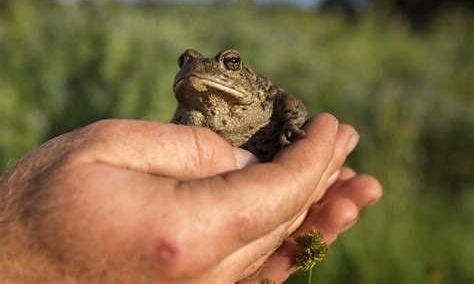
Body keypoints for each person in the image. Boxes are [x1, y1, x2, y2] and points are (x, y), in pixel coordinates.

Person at [0, 113, 382, 283]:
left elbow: (290, 104)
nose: (194, 70)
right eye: (184, 63)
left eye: (228, 63)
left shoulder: (260, 97)